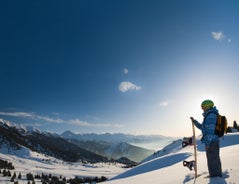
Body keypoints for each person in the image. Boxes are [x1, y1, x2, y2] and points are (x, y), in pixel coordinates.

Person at [190, 99, 222, 177]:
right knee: (214, 159)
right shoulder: (209, 115)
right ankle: (216, 174)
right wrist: (195, 122)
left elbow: (210, 131)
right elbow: (203, 127)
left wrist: (207, 143)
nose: (202, 109)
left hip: (211, 141)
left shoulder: (211, 116)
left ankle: (215, 178)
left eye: (203, 107)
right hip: (212, 141)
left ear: (207, 106)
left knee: (212, 160)